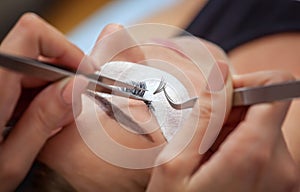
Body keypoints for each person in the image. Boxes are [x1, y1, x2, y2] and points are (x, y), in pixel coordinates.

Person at [0, 5, 298, 192]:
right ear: (206, 166)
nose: (114, 34)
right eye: (145, 98)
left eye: (98, 72)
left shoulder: (192, 40)